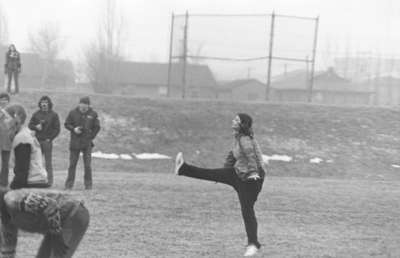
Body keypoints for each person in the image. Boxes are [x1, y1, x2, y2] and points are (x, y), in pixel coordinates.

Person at [174, 113, 266, 257]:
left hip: (251, 180)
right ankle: (183, 168)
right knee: (212, 173)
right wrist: (222, 174)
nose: (233, 121)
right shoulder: (238, 139)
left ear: (243, 124)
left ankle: (253, 244)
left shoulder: (245, 139)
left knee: (247, 211)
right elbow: (232, 156)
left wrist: (254, 173)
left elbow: (251, 156)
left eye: (236, 120)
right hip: (238, 174)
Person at [0, 187, 89, 258]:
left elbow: (50, 205)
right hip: (56, 225)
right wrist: (55, 233)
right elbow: (8, 251)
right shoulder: (6, 221)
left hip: (73, 214)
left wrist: (56, 234)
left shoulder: (13, 199)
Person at [6, 104, 49, 189]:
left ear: (15, 120)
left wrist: (12, 188)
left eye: (7, 118)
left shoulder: (22, 138)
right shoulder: (25, 133)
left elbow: (22, 171)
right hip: (36, 180)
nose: (4, 121)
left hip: (32, 182)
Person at [64, 97, 100, 190]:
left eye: (85, 105)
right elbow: (66, 124)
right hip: (75, 142)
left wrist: (91, 136)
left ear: (88, 105)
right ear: (79, 104)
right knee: (72, 164)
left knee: (87, 165)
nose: (83, 107)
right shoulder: (72, 113)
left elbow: (97, 127)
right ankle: (69, 185)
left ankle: (88, 185)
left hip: (87, 143)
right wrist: (74, 129)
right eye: (82, 104)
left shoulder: (93, 114)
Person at [28, 96, 61, 186]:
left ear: (49, 103)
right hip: (37, 142)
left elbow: (57, 129)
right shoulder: (36, 114)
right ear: (40, 104)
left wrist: (50, 138)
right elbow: (30, 125)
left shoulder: (54, 115)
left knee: (48, 163)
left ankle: (49, 182)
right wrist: (35, 127)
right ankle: (37, 180)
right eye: (42, 102)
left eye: (46, 102)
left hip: (47, 142)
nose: (44, 104)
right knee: (36, 162)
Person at [0, 93, 14, 186]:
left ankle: (4, 182)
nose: (3, 101)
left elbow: (16, 124)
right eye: (2, 99)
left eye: (6, 99)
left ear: (8, 101)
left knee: (5, 163)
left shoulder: (12, 111)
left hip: (7, 141)